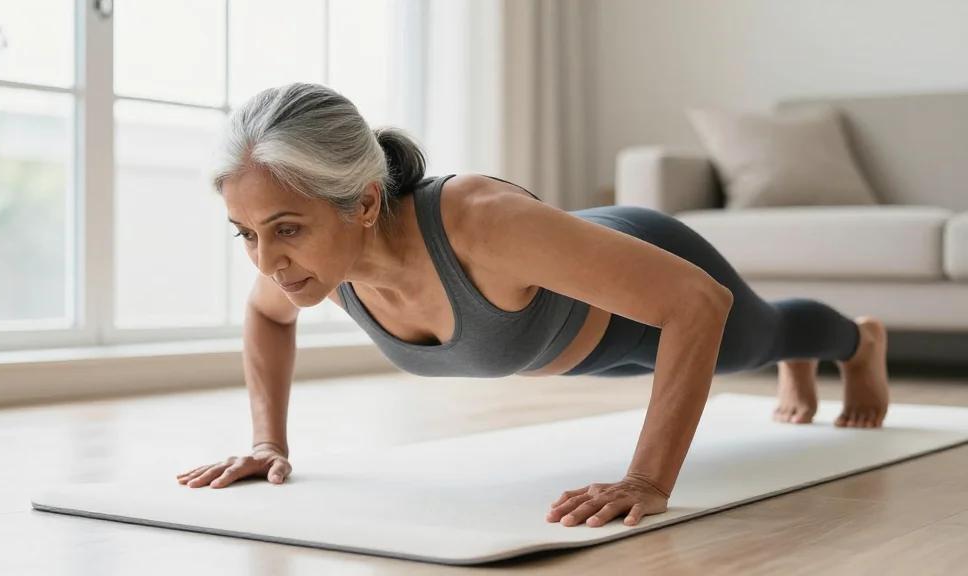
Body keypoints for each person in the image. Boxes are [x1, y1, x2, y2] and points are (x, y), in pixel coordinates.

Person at [176, 82, 890, 529]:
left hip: (645, 275)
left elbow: (698, 301)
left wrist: (647, 480)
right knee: (754, 343)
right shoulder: (312, 264)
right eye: (246, 234)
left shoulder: (480, 221)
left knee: (758, 337)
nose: (265, 261)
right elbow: (266, 316)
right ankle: (799, 356)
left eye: (286, 230)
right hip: (582, 352)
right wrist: (268, 443)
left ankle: (857, 343)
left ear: (363, 203)